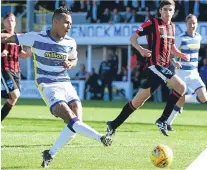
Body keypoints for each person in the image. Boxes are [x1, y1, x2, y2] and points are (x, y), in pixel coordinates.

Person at [1, 7, 112, 168]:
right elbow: (9, 37)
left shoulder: (70, 42)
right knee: (72, 120)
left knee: (76, 124)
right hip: (48, 85)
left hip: (66, 83)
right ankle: (100, 137)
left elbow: (74, 60)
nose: (69, 26)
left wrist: (70, 64)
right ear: (55, 22)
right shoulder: (36, 38)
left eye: (71, 23)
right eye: (66, 22)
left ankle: (50, 153)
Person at [105, 0, 190, 137]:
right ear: (160, 11)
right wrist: (140, 49)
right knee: (181, 87)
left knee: (137, 101)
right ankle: (163, 120)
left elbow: (171, 47)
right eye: (165, 9)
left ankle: (113, 124)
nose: (168, 12)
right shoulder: (153, 23)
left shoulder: (173, 27)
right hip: (155, 66)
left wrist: (179, 56)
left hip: (164, 67)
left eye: (170, 10)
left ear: (174, 12)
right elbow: (133, 38)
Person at [167, 14, 207, 131]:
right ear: (186, 24)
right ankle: (168, 123)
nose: (192, 25)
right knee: (180, 101)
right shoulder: (180, 38)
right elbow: (169, 52)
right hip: (181, 74)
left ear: (197, 24)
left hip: (194, 73)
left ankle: (184, 99)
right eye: (190, 23)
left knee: (204, 98)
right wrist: (174, 62)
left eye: (194, 23)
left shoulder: (199, 37)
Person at [1, 13, 32, 126]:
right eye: (8, 21)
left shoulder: (18, 37)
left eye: (12, 21)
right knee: (15, 94)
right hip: (5, 68)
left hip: (16, 70)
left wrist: (28, 53)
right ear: (4, 22)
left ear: (15, 23)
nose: (10, 23)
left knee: (14, 98)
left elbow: (21, 54)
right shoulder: (2, 36)